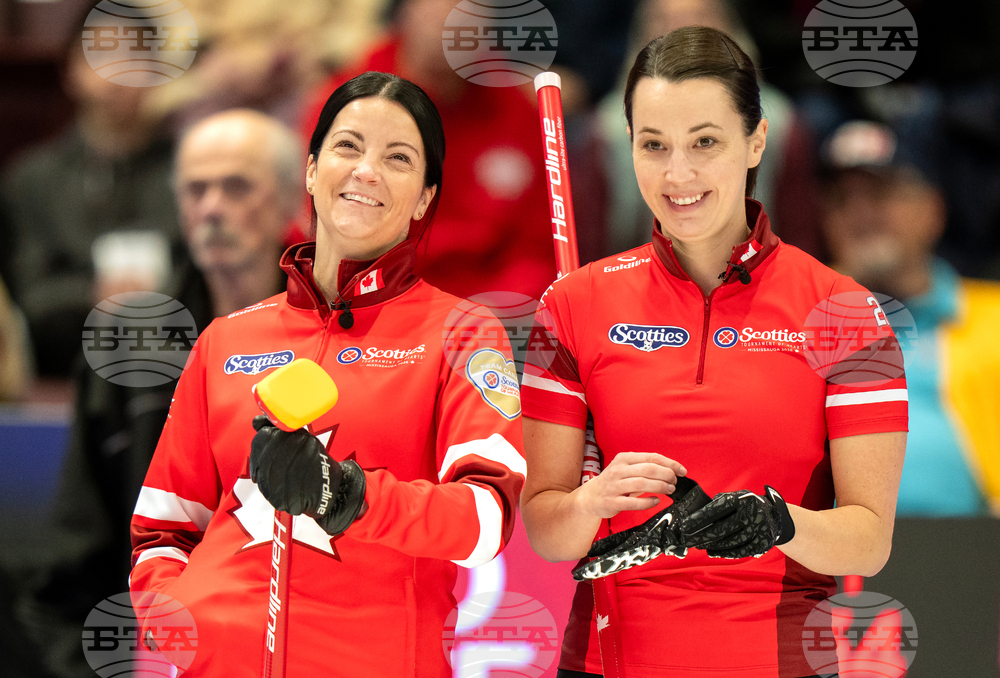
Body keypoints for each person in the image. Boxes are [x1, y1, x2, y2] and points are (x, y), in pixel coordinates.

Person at [520, 27, 907, 678]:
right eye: (654, 145)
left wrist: (777, 523)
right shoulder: (571, 306)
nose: (679, 174)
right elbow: (547, 532)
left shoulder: (845, 312)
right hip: (609, 660)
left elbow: (868, 542)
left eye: (705, 142)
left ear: (757, 140)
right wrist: (590, 503)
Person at [129, 72, 525, 677]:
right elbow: (161, 528)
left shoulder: (463, 333)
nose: (366, 170)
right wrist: (183, 625)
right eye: (348, 146)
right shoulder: (226, 339)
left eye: (398, 157)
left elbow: (486, 519)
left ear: (423, 197)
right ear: (311, 171)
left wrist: (348, 497)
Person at [19, 109, 298, 678]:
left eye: (237, 186)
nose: (212, 207)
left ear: (295, 204)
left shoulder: (341, 342)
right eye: (196, 189)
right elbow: (77, 553)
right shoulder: (127, 347)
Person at [301, 0, 556, 299]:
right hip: (372, 301)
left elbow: (537, 251)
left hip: (485, 314)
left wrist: (494, 319)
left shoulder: (518, 113)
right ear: (407, 9)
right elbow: (322, 228)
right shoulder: (347, 102)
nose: (454, 15)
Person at [820, 119, 1000, 516]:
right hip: (823, 557)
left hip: (973, 552)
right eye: (839, 199)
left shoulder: (993, 320)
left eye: (880, 193)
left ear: (932, 209)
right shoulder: (791, 324)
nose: (859, 213)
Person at [1, 7, 180, 377]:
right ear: (71, 69)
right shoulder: (33, 179)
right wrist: (92, 294)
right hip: (59, 370)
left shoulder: (193, 172)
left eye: (136, 55)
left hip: (179, 367)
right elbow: (27, 295)